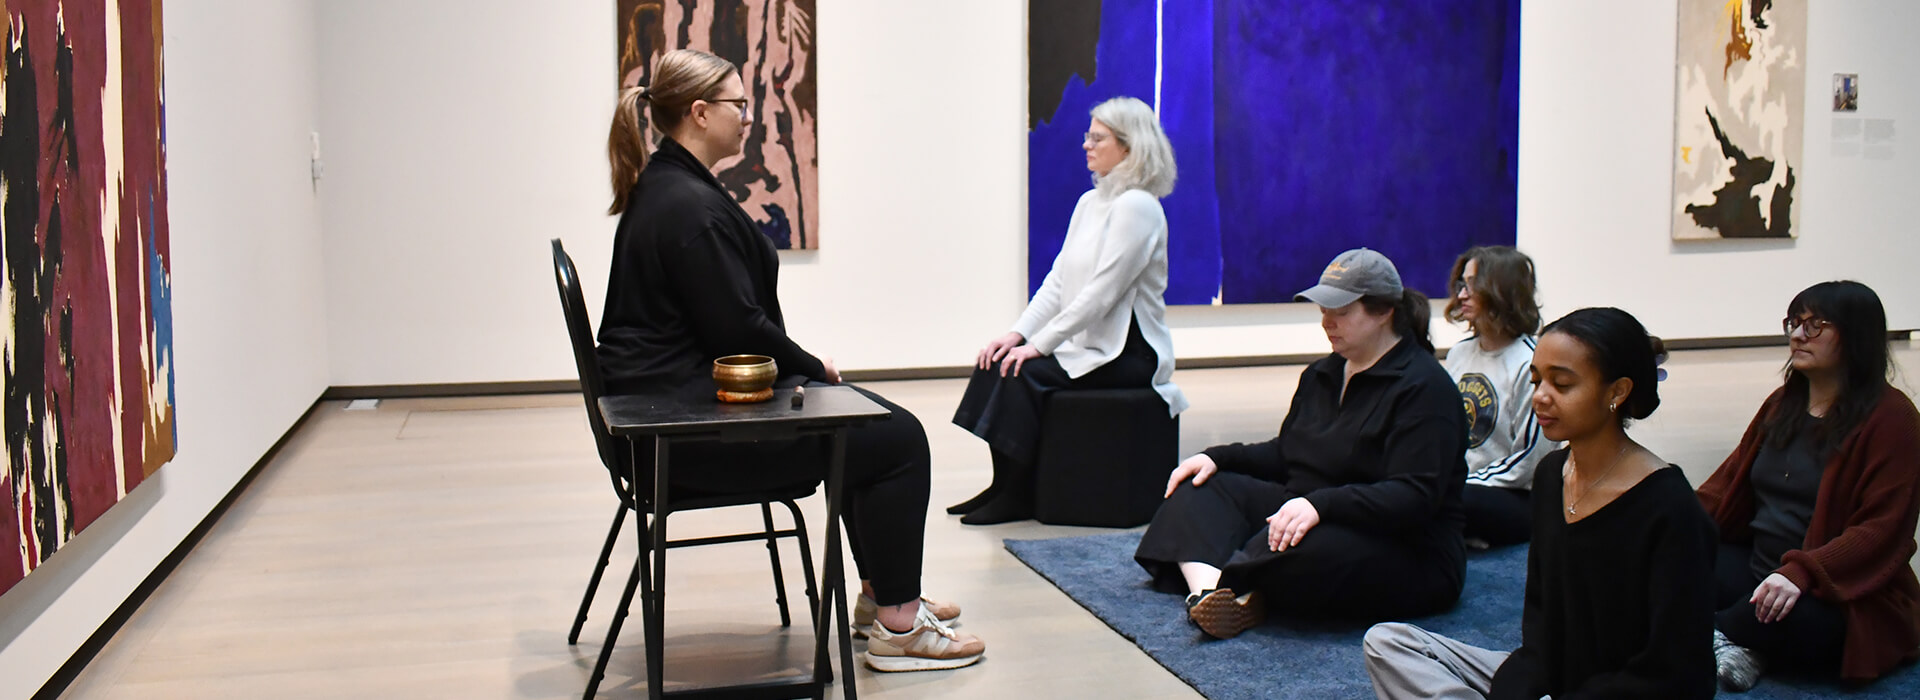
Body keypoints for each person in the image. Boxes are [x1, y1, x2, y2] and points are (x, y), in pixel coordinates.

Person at [597, 49, 982, 672]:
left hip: (675, 417)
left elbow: (729, 325)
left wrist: (807, 372)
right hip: (685, 435)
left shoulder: (672, 187)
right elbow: (737, 331)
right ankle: (900, 628)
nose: (748, 117)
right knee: (898, 440)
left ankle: (882, 596)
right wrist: (815, 367)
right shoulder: (686, 207)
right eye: (738, 105)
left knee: (866, 422)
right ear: (699, 113)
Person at [1364, 307, 1716, 700]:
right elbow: (1540, 626)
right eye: (1536, 380)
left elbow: (1678, 672)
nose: (1540, 397)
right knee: (1388, 642)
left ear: (1617, 391)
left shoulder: (1670, 507)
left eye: (1562, 385)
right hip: (1555, 676)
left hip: (1628, 692)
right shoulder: (1553, 475)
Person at [1132, 248, 1465, 639]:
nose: (1327, 322)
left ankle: (1235, 584)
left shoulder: (1425, 387)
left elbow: (1414, 496)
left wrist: (1319, 505)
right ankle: (1213, 596)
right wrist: (1215, 457)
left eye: (1341, 311)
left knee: (1309, 550)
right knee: (1200, 487)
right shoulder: (1321, 374)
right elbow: (1288, 452)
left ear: (1384, 311)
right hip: (1307, 508)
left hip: (1403, 545)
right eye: (1323, 310)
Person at [949, 96, 1189, 525]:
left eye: (1097, 138)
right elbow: (1058, 283)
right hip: (1092, 343)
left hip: (1129, 353)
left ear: (1129, 148)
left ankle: (1017, 493)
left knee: (1022, 372)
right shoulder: (1089, 204)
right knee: (997, 361)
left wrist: (1039, 347)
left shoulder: (1138, 208)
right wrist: (1017, 335)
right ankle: (1002, 485)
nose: (1086, 145)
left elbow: (1102, 294)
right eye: (1088, 136)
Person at [1694, 281, 1920, 690]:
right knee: (1671, 556)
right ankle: (1733, 637)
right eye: (1794, 323)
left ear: (1857, 336)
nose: (1798, 335)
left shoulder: (1893, 419)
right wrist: (1668, 521)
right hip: (1760, 567)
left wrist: (1801, 572)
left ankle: (1710, 634)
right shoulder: (1783, 403)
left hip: (1837, 590)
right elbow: (1725, 486)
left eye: (1815, 325)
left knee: (1797, 618)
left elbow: (1881, 531)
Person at [1442, 246, 1556, 547]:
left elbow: (1529, 462)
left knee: (1439, 502)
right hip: (1460, 487)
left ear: (1502, 291)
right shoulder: (1459, 353)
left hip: (1514, 496)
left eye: (1473, 285)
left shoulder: (1531, 362)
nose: (1462, 295)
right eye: (1461, 284)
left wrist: (1454, 485)